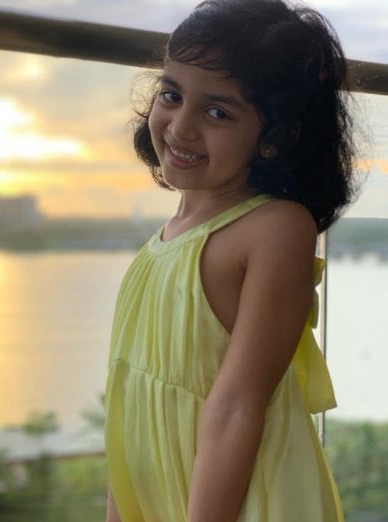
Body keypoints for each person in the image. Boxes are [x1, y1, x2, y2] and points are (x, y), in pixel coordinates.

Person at [103, 0, 368, 521]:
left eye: (218, 112)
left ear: (276, 137)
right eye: (172, 95)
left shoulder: (275, 229)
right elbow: (128, 408)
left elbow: (235, 406)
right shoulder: (162, 242)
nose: (181, 127)